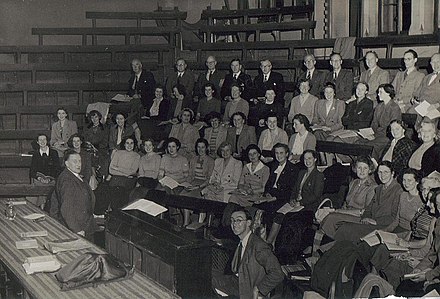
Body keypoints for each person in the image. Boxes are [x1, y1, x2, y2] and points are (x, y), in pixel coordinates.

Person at [212, 208, 284, 299]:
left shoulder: (259, 246)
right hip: (237, 281)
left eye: (239, 220)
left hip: (247, 289)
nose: (234, 224)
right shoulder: (242, 241)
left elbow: (277, 273)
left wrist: (258, 289)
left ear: (249, 223)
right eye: (232, 220)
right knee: (206, 281)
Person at [312, 156, 377, 254]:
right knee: (328, 217)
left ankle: (320, 251)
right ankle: (320, 250)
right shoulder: (353, 183)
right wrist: (339, 210)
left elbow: (365, 211)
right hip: (346, 213)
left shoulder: (372, 187)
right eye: (359, 168)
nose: (362, 171)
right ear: (355, 169)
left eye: (365, 168)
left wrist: (338, 211)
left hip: (359, 216)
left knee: (331, 218)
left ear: (370, 170)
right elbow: (346, 204)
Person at [266, 150, 324, 255]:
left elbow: (316, 195)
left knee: (288, 218)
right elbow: (294, 189)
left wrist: (301, 203)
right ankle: (269, 243)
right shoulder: (302, 173)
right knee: (278, 215)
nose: (307, 161)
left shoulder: (318, 175)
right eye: (305, 159)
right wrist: (292, 199)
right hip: (296, 203)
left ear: (315, 159)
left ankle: (281, 249)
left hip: (308, 207)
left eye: (310, 158)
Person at [333, 161, 403, 242]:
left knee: (347, 229)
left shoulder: (398, 190)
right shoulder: (379, 188)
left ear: (392, 173)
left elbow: (394, 217)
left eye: (386, 172)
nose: (382, 175)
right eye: (380, 172)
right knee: (343, 226)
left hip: (383, 225)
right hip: (370, 222)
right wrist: (365, 218)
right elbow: (369, 208)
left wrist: (376, 221)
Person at [50, 149, 96, 240]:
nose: (78, 164)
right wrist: (77, 230)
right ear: (67, 164)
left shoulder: (74, 176)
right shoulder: (67, 180)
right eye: (75, 161)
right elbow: (66, 208)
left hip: (84, 225)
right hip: (76, 229)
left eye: (79, 161)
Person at [222, 145, 271, 225]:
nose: (252, 156)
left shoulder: (265, 169)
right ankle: (226, 226)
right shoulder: (246, 167)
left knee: (248, 210)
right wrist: (243, 189)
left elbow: (264, 188)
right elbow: (240, 183)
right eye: (250, 154)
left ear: (259, 154)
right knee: (233, 198)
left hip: (255, 196)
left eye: (254, 153)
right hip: (244, 194)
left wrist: (252, 191)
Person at [356, 84, 401, 160]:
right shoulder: (379, 106)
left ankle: (373, 165)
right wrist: (370, 134)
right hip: (377, 134)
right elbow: (374, 123)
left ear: (388, 93)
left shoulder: (395, 108)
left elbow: (393, 128)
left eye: (380, 92)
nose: (378, 94)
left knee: (371, 146)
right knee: (358, 142)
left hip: (387, 136)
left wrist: (375, 135)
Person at [180, 138, 215, 226]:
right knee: (180, 196)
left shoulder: (211, 161)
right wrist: (186, 183)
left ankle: (186, 223)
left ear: (206, 148)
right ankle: (188, 220)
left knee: (187, 198)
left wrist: (198, 187)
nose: (200, 150)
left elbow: (209, 179)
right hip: (193, 183)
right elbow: (191, 175)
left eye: (203, 147)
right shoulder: (193, 159)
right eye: (198, 147)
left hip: (203, 185)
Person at [29, 133, 61, 208]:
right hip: (39, 180)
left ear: (47, 141)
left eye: (44, 139)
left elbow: (57, 169)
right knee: (41, 187)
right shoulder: (36, 154)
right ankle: (42, 208)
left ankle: (42, 208)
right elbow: (32, 171)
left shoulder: (54, 153)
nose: (42, 141)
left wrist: (50, 178)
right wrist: (39, 178)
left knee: (45, 188)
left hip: (51, 180)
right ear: (37, 142)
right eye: (40, 140)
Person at [411, 53, 440, 129]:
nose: (436, 64)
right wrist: (414, 99)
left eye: (438, 62)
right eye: (433, 62)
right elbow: (417, 93)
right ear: (430, 63)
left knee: (427, 122)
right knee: (406, 115)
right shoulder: (426, 77)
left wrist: (437, 105)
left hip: (435, 108)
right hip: (421, 107)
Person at [83, 110, 109, 178]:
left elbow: (105, 142)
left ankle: (101, 177)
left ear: (99, 117)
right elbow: (85, 139)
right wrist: (90, 146)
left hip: (101, 148)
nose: (94, 119)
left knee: (102, 158)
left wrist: (96, 147)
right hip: (89, 148)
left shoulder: (105, 128)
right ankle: (92, 176)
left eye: (96, 117)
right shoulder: (87, 128)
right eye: (92, 118)